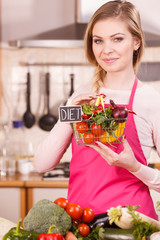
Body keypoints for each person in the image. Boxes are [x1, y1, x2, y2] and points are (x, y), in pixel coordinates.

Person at [34, 0, 160, 221]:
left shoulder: (151, 101)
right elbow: (42, 164)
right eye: (98, 40)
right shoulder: (81, 96)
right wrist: (69, 112)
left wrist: (135, 167)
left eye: (117, 39)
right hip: (80, 224)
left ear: (136, 42)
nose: (106, 50)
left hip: (132, 228)